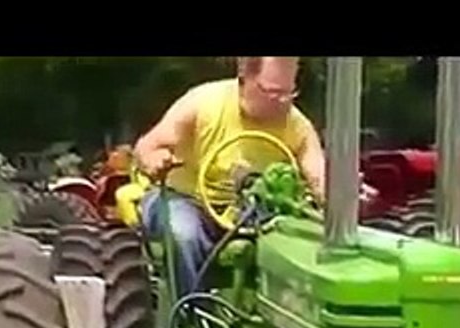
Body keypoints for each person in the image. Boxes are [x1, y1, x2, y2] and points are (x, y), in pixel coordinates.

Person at [132, 57, 326, 299]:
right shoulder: (203, 102)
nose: (282, 103)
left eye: (289, 93)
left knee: (293, 240)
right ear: (244, 80)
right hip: (184, 199)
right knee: (185, 234)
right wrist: (155, 158)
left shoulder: (297, 126)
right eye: (272, 93)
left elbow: (319, 177)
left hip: (250, 211)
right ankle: (193, 316)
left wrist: (340, 196)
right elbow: (148, 146)